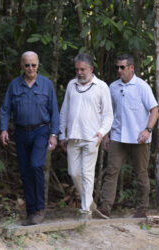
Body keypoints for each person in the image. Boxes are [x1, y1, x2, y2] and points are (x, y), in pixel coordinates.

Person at [96, 54, 159, 219]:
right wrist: (106, 135)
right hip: (117, 136)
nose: (119, 70)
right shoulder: (113, 87)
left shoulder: (142, 86)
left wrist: (148, 130)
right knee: (111, 171)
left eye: (122, 67)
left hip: (139, 138)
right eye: (117, 67)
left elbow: (154, 110)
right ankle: (105, 208)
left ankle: (142, 210)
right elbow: (109, 113)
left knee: (141, 173)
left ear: (131, 68)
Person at [0, 51, 59, 226]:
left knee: (36, 166)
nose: (30, 68)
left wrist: (54, 134)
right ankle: (31, 212)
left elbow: (54, 111)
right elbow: (5, 109)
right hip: (20, 132)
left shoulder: (47, 85)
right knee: (25, 173)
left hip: (41, 131)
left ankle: (40, 208)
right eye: (27, 65)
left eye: (33, 65)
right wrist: (3, 129)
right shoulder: (14, 85)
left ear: (38, 65)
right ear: (22, 66)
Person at [59, 53, 113, 218]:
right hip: (73, 137)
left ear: (91, 69)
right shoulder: (71, 85)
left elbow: (108, 115)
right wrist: (62, 134)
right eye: (77, 69)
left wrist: (102, 132)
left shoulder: (101, 86)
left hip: (92, 137)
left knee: (87, 173)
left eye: (83, 69)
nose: (80, 72)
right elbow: (64, 111)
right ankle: (89, 203)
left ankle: (85, 211)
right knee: (74, 173)